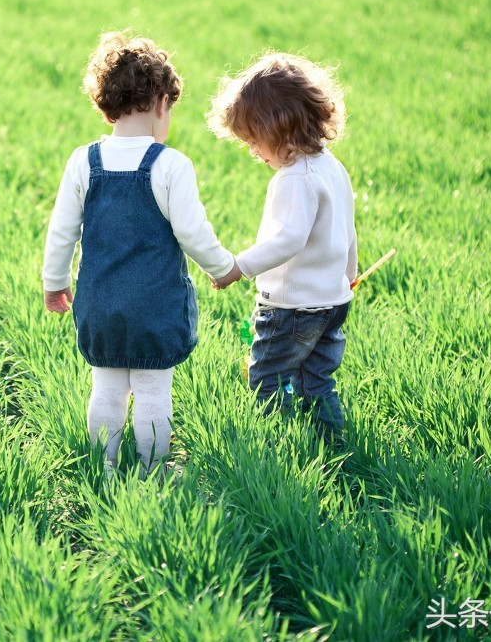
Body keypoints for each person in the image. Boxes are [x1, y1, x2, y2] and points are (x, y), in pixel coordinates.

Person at [43, 31, 238, 475]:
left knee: (106, 389)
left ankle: (104, 468)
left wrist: (55, 284)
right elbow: (193, 232)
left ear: (105, 103)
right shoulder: (170, 165)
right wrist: (223, 268)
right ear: (161, 103)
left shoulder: (83, 161)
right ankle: (152, 469)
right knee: (153, 390)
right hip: (155, 306)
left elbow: (61, 232)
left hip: (101, 302)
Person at [208, 53, 357, 445]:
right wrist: (348, 274)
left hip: (292, 308)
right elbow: (346, 227)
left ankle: (274, 447)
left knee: (267, 378)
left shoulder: (295, 179)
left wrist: (239, 266)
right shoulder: (331, 167)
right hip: (332, 302)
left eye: (255, 141)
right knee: (316, 380)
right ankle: (332, 444)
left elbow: (289, 240)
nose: (254, 152)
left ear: (279, 128)